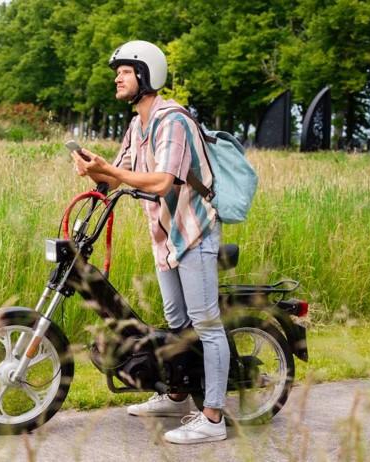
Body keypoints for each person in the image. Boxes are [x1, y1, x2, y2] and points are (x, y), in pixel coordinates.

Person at [71, 40, 229, 444]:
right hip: (164, 238)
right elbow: (114, 177)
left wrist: (115, 175)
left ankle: (212, 418)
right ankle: (178, 396)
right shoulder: (136, 126)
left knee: (206, 326)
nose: (117, 77)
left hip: (193, 233)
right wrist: (93, 168)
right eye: (117, 72)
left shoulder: (171, 120)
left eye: (124, 71)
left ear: (145, 75)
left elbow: (161, 182)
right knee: (177, 323)